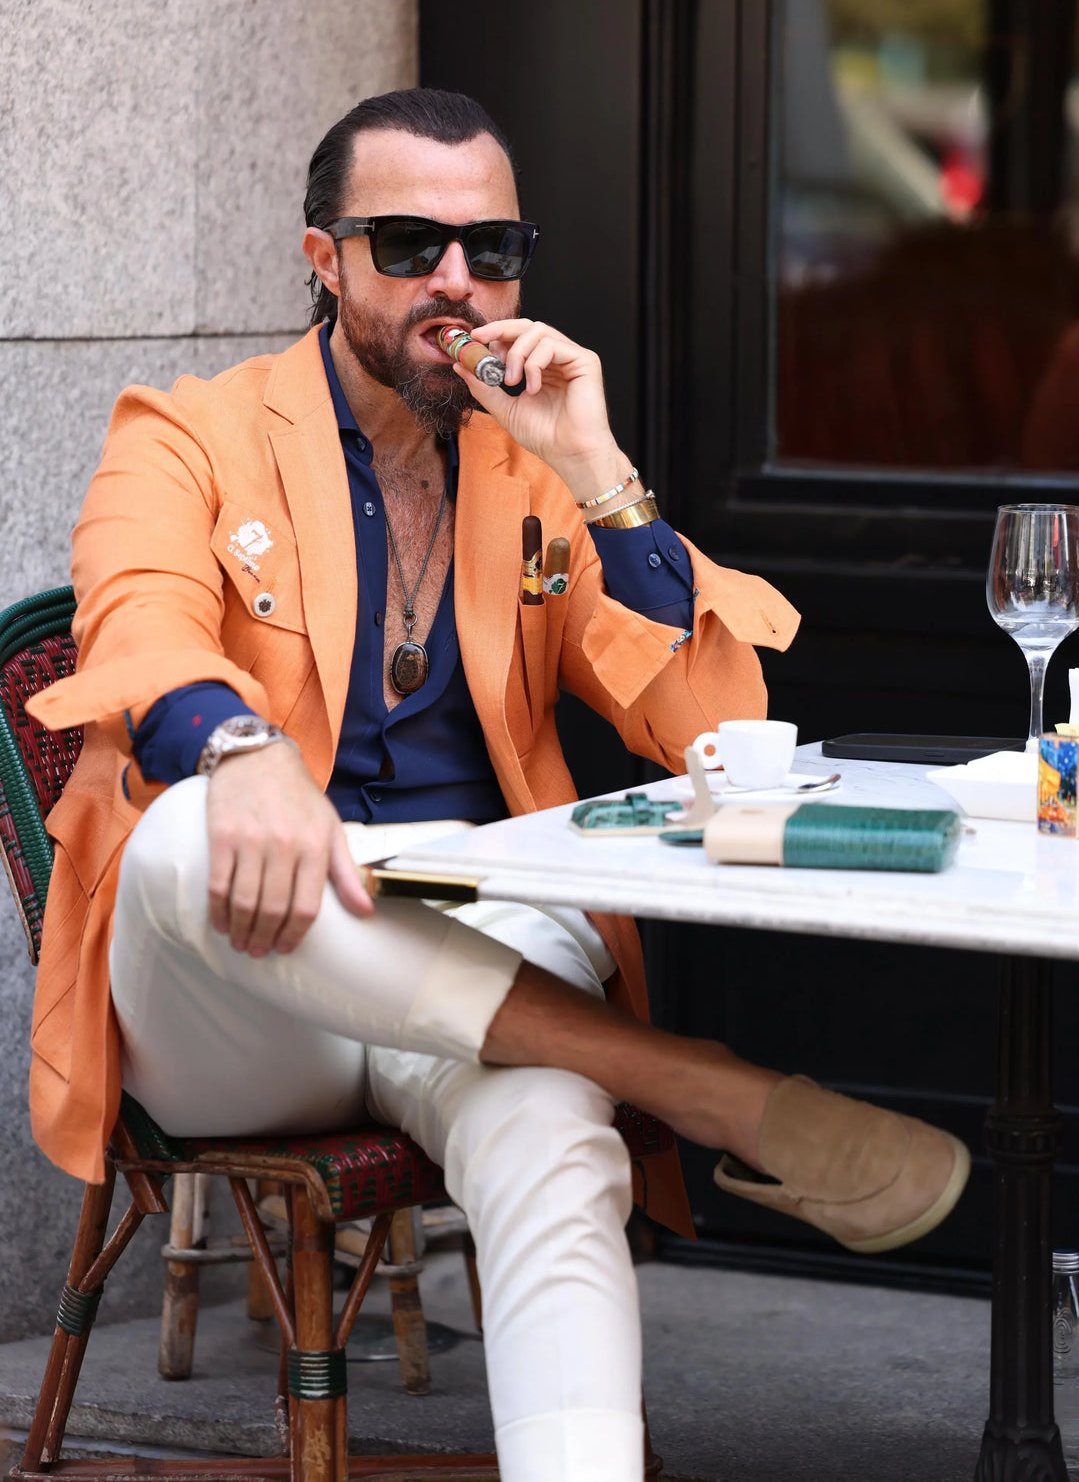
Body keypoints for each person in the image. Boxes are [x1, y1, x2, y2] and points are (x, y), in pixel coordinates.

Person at [27, 89, 970, 1482]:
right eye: (407, 245)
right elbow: (141, 621)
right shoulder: (192, 429)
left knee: (553, 1138)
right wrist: (243, 756)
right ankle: (698, 1084)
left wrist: (599, 475)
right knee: (181, 845)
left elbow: (710, 723)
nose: (455, 284)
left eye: (493, 248)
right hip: (241, 998)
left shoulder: (528, 470)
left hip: (464, 959)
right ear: (323, 257)